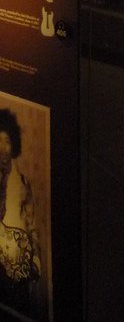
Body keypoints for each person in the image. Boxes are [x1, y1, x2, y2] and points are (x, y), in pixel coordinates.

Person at [0, 109, 41, 314]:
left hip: (20, 271)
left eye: (7, 141)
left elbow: (31, 224)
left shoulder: (23, 183)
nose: (2, 148)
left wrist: (36, 260)